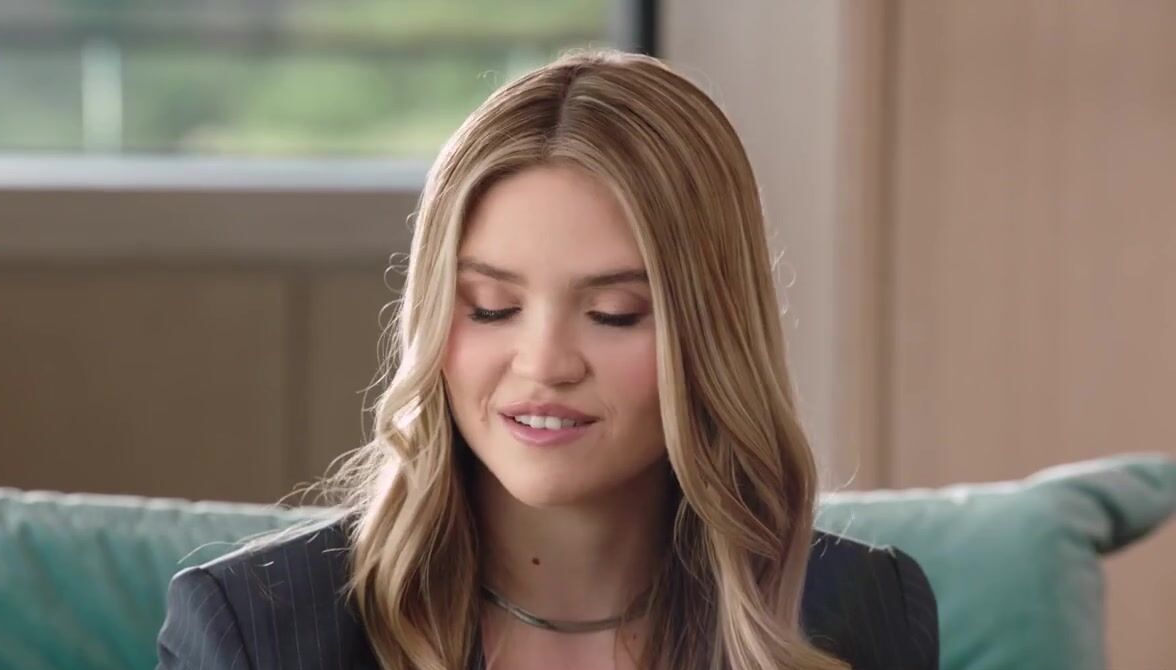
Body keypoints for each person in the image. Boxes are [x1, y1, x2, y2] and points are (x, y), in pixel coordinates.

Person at [155, 49, 938, 670]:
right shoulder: (253, 631)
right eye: (491, 307)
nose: (545, 364)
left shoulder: (864, 609)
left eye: (613, 313)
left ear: (714, 333)